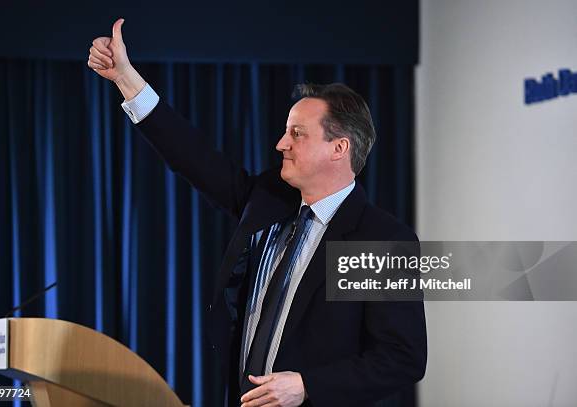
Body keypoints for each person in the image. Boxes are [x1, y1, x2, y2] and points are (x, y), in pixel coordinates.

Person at [88, 19, 426, 407]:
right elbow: (192, 156)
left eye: (297, 134)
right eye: (286, 130)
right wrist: (126, 80)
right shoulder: (269, 199)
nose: (281, 143)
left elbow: (402, 358)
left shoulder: (381, 240)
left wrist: (307, 385)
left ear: (339, 149)